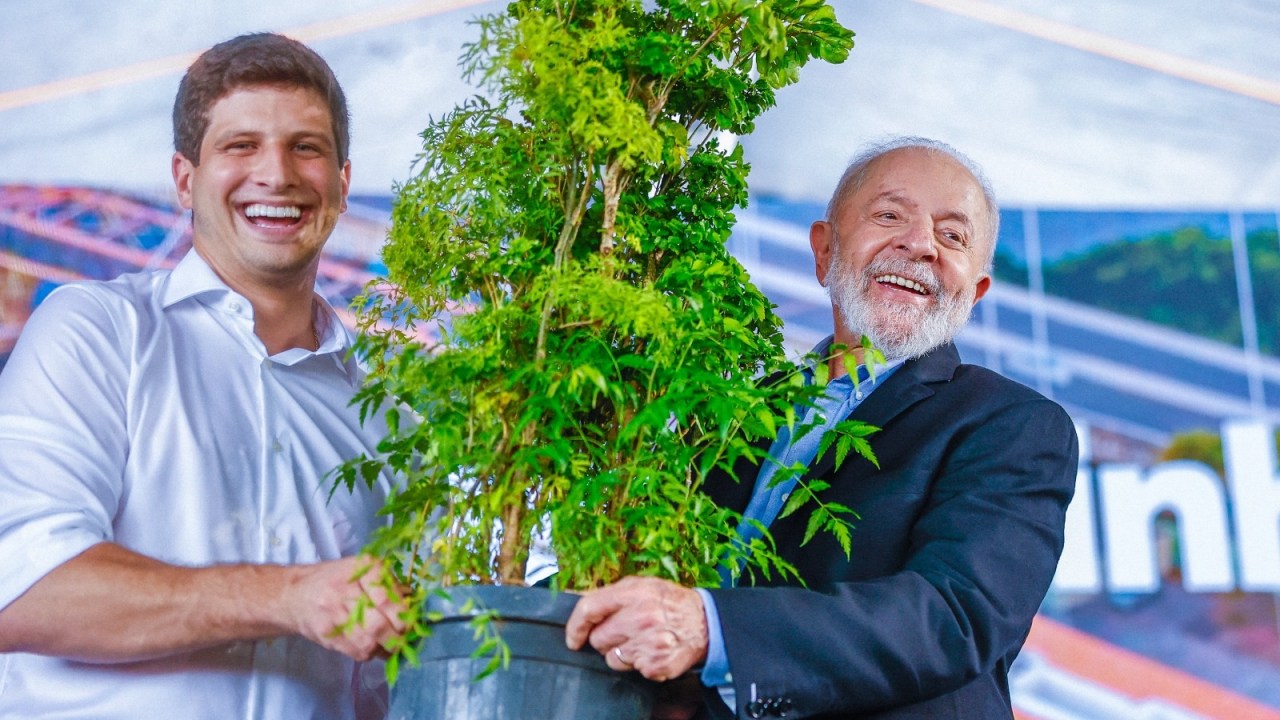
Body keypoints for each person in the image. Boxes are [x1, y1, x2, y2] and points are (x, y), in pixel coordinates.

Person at [565, 137, 1079, 719]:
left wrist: (710, 628)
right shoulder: (733, 415)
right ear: (824, 251)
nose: (921, 245)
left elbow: (953, 616)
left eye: (953, 236)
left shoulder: (1013, 424)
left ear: (976, 290)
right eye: (890, 215)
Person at [0, 33, 404, 720]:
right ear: (185, 179)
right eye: (240, 146)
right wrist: (290, 595)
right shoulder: (102, 332)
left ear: (341, 182)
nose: (276, 175)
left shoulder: (392, 407)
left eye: (306, 147)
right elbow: (20, 588)